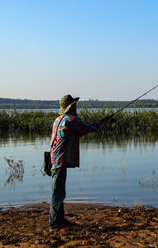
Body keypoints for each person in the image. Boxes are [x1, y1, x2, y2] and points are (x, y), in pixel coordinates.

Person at [49, 94, 109, 232]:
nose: (76, 107)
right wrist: (101, 122)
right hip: (59, 160)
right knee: (57, 194)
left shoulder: (58, 119)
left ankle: (60, 220)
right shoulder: (71, 120)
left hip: (53, 159)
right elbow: (88, 127)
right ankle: (55, 225)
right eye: (74, 105)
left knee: (58, 192)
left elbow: (76, 132)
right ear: (71, 107)